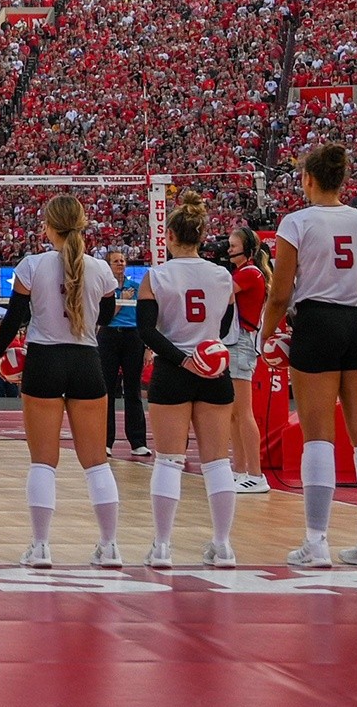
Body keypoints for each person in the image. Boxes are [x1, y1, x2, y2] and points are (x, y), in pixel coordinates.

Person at [258, 143, 357, 568]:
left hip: (317, 322)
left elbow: (280, 293)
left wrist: (267, 334)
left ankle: (316, 543)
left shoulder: (296, 222)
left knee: (318, 437)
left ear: (308, 179)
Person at [0, 194, 122, 568]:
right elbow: (108, 314)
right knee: (97, 462)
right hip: (86, 360)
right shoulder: (100, 269)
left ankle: (41, 547)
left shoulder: (32, 265)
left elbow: (14, 316)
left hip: (45, 360)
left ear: (50, 227)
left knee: (43, 462)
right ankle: (110, 546)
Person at [133, 192, 240, 568]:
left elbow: (146, 330)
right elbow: (224, 327)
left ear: (171, 236)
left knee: (168, 461)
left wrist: (182, 358)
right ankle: (223, 546)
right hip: (214, 372)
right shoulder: (222, 275)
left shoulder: (157, 276)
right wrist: (203, 352)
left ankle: (162, 547)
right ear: (201, 235)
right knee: (217, 463)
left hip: (173, 371)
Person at [226, 227, 272, 494]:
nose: (229, 249)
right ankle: (240, 470)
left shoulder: (249, 273)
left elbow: (221, 294)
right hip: (236, 341)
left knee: (243, 413)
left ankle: (256, 473)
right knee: (234, 414)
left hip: (242, 341)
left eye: (233, 246)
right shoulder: (243, 272)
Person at [100, 249, 149, 456]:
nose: (120, 264)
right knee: (107, 390)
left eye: (122, 261)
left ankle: (138, 441)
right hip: (109, 335)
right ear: (108, 265)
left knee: (133, 389)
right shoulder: (104, 290)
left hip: (132, 336)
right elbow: (103, 318)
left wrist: (147, 347)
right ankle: (106, 441)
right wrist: (120, 302)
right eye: (116, 261)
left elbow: (145, 318)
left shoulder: (136, 288)